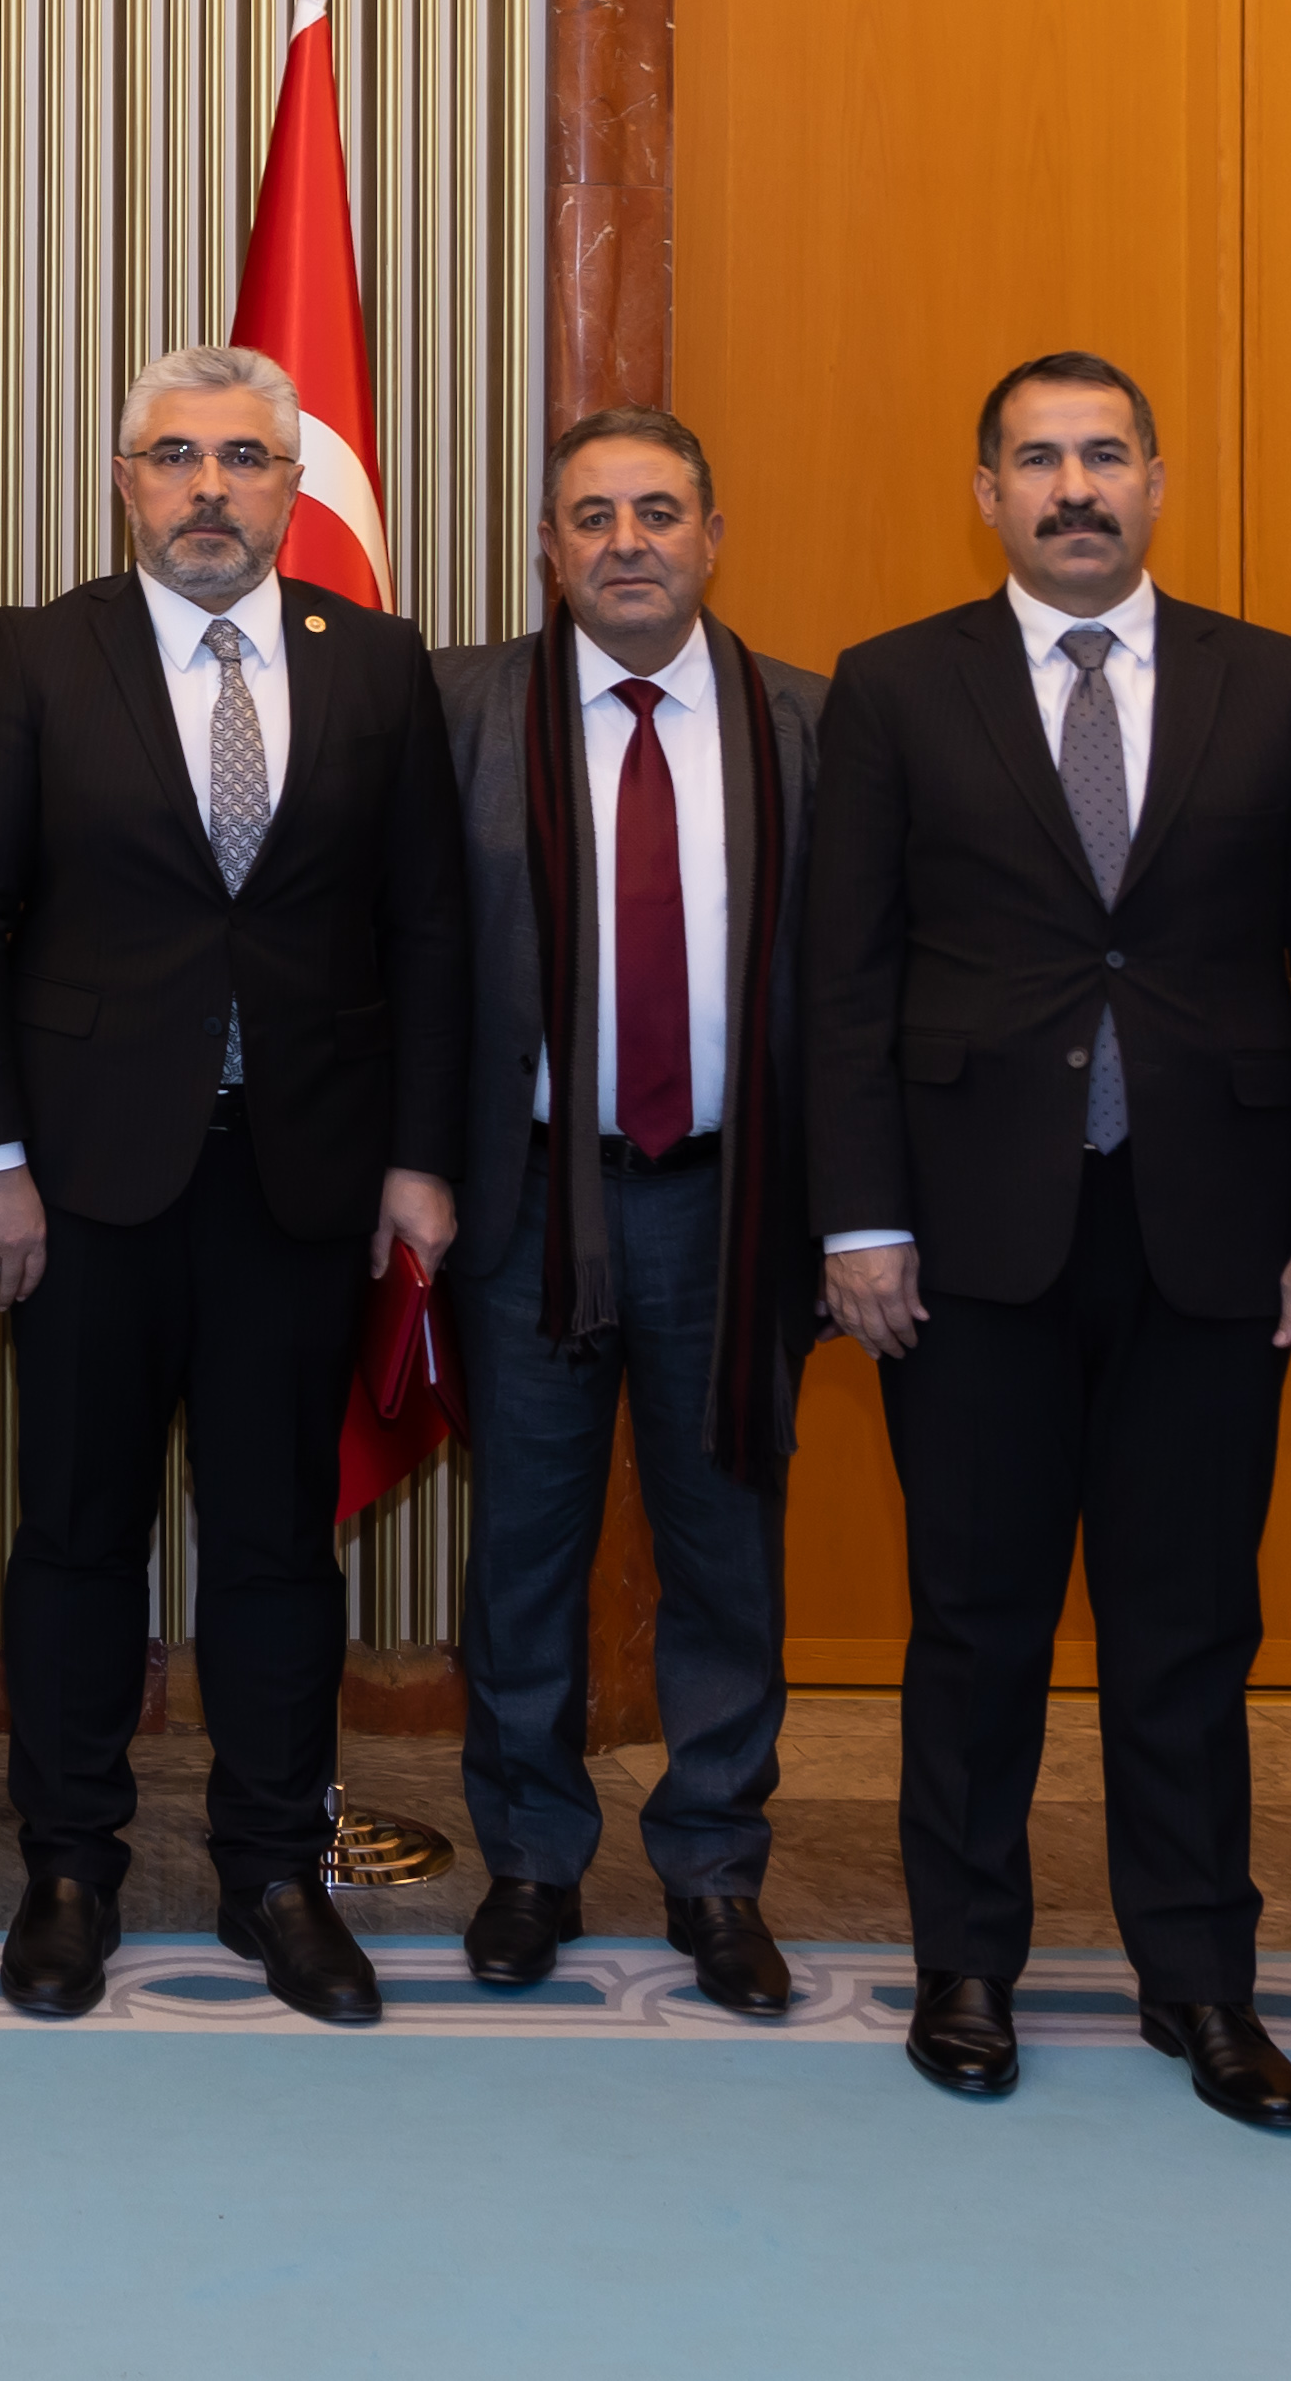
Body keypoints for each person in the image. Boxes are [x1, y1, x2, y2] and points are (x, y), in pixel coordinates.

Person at [800, 350, 1291, 2128]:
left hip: (1213, 1234)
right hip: (962, 1238)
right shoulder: (893, 684)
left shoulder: (1278, 685)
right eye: (1037, 459)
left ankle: (1198, 1979)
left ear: (1154, 479)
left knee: (1187, 1626)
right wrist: (858, 1215)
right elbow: (842, 981)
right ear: (985, 491)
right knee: (972, 1622)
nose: (1074, 487)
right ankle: (964, 1964)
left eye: (1104, 455)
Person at [0, 340, 466, 2026]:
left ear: (292, 486)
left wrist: (418, 1157)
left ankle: (273, 1873)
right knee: (76, 1534)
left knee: (275, 1546)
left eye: (243, 458)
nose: (208, 488)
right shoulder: (36, 650)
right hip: (82, 1181)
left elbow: (427, 926)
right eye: (175, 455)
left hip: (300, 1180)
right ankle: (69, 1867)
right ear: (124, 480)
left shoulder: (375, 662)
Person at [428, 407, 822, 2015]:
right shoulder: (457, 710)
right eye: (590, 515)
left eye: (657, 510)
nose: (626, 542)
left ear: (712, 534)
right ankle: (529, 1860)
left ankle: (714, 1869)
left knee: (724, 1549)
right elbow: (401, 952)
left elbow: (857, 983)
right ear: (547, 545)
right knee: (524, 1546)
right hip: (529, 1198)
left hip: (734, 1203)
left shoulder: (808, 720)